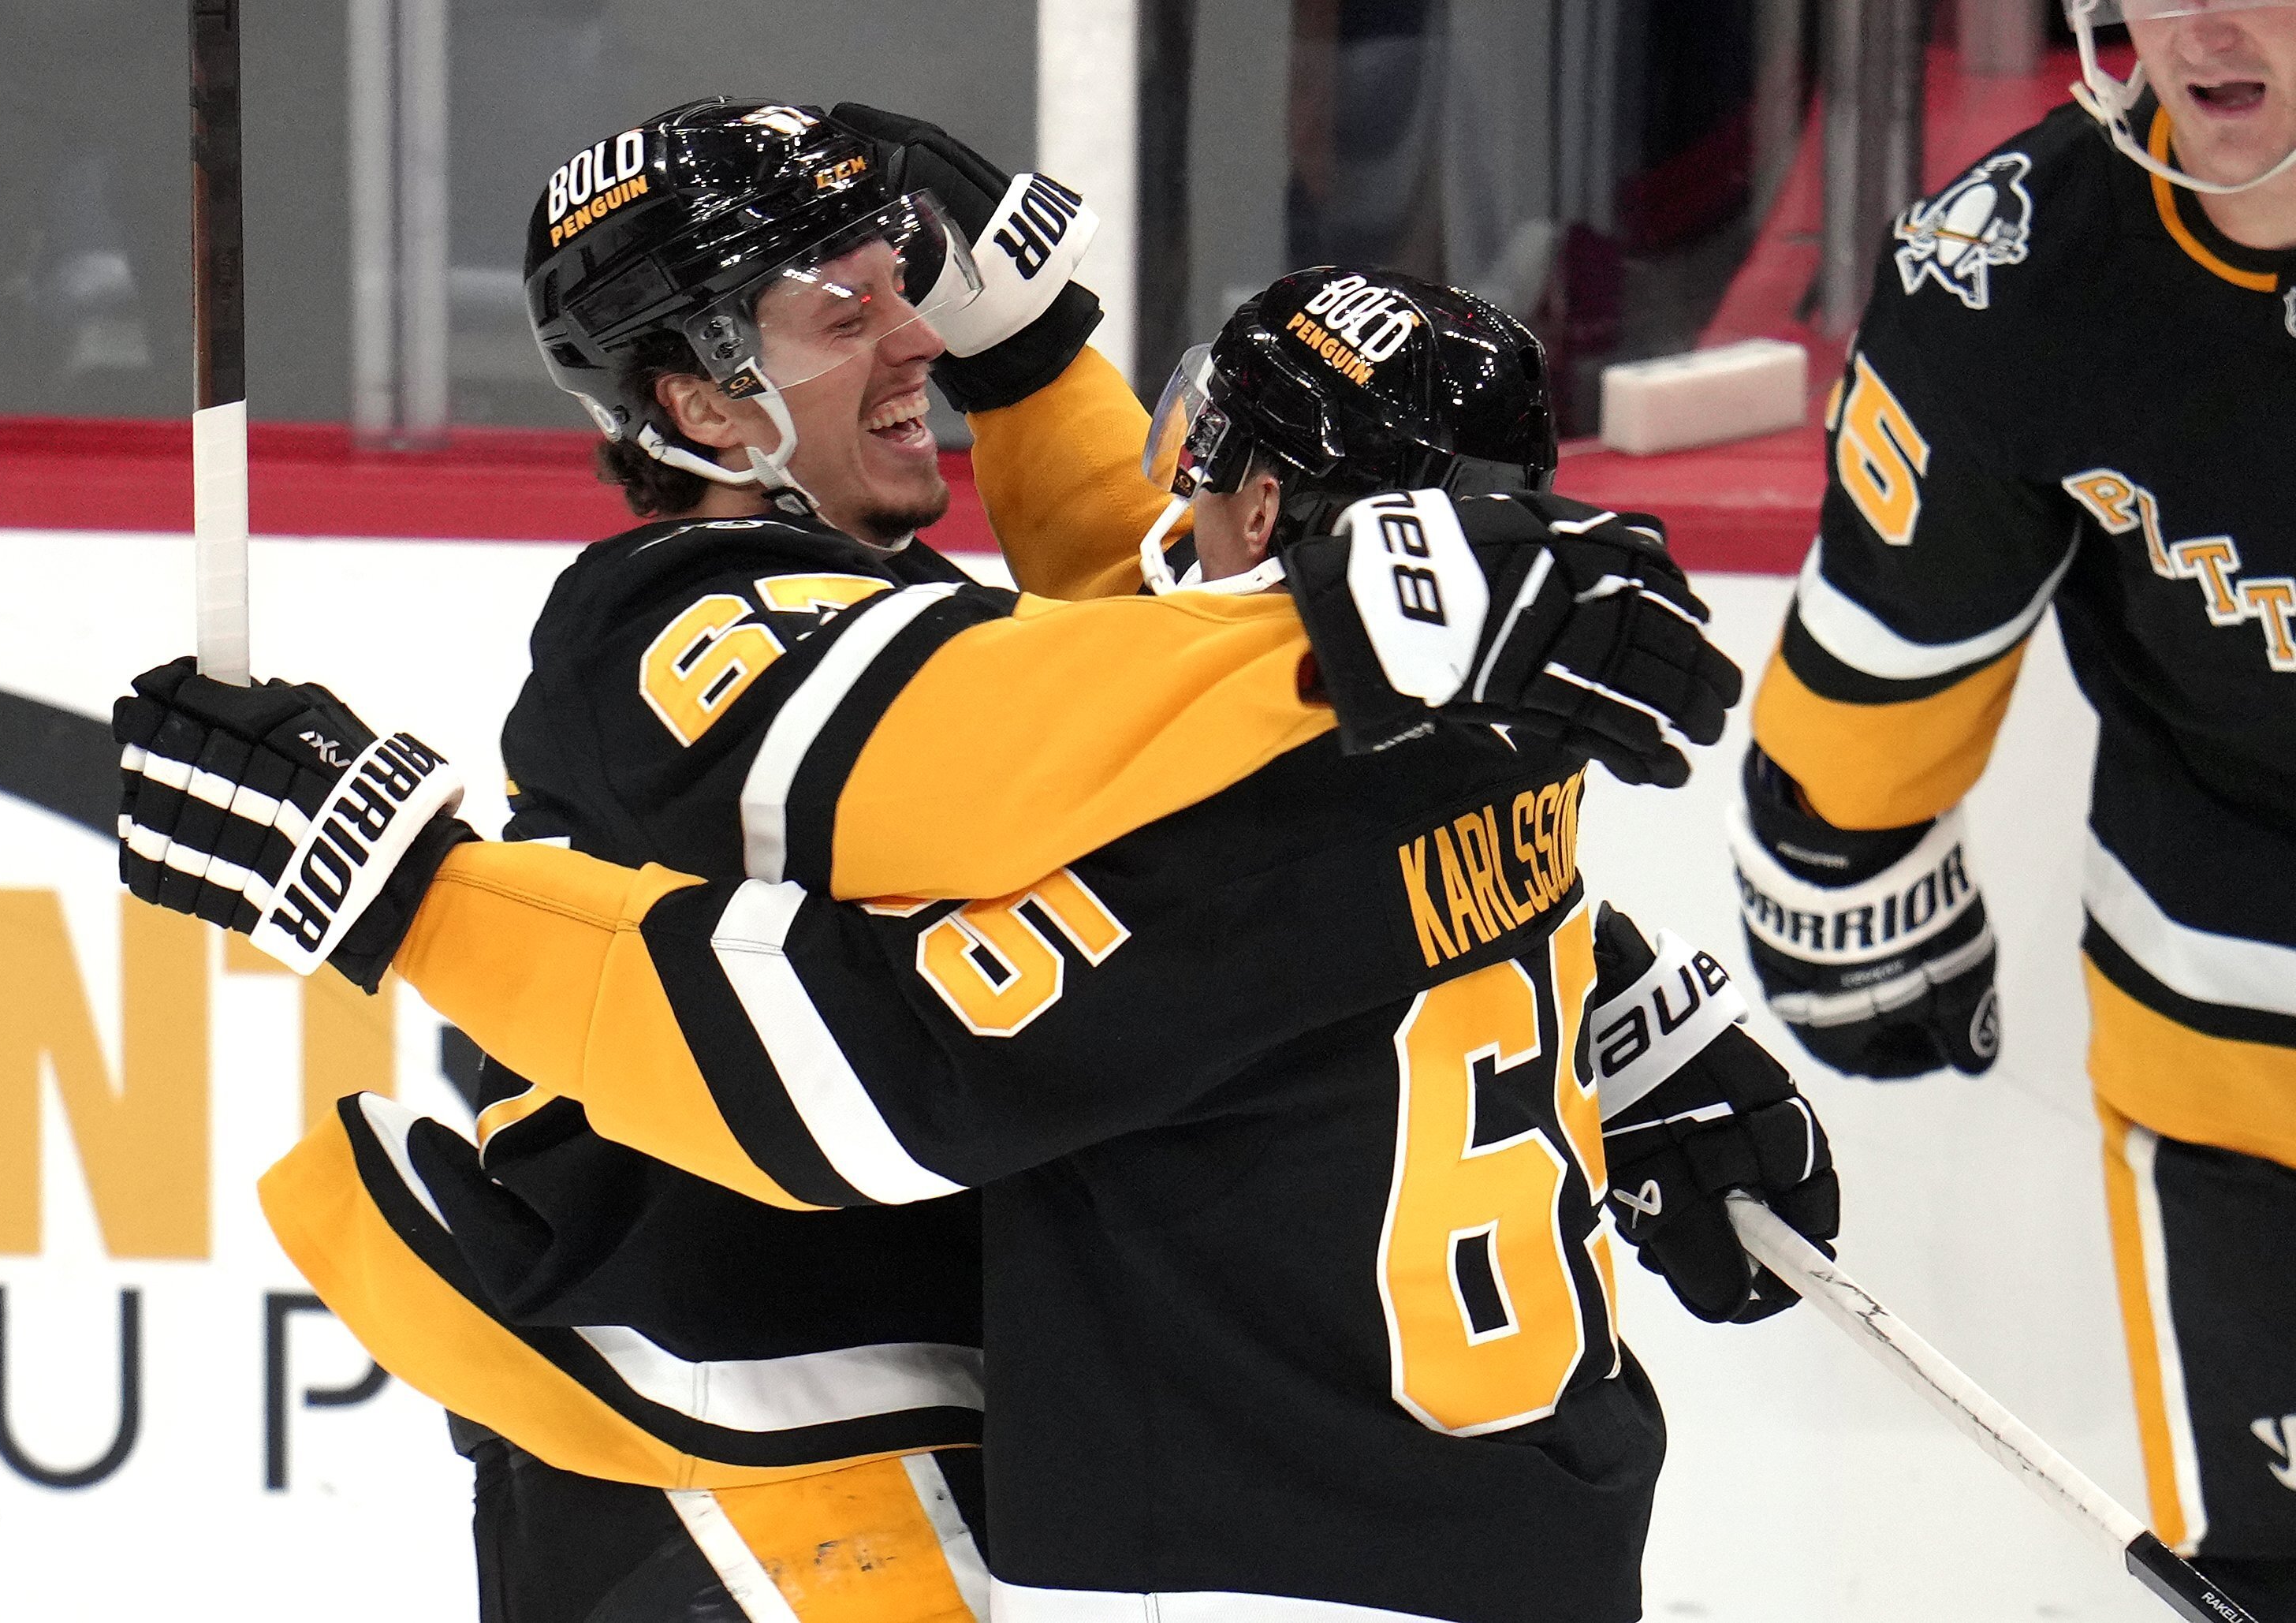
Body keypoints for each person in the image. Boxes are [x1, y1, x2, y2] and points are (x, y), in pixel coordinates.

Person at [115, 262, 1836, 1621]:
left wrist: (401, 888)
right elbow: (1280, 839)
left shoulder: (1196, 784)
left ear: (1265, 516)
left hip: (1248, 1559)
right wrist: (1641, 1039)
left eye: (1209, 460)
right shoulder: (1490, 725)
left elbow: (846, 1074)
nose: (914, 339)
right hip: (1523, 1528)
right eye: (839, 308)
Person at [1726, 0, 2296, 1606]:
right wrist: (1838, 849)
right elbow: (1894, 639)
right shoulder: (2019, 266)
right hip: (2236, 1027)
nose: (2196, 22)